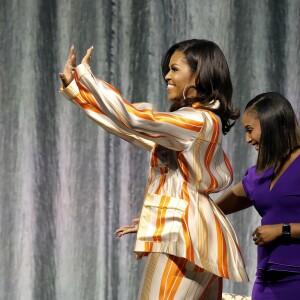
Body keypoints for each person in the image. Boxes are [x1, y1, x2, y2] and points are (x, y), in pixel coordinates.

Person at [59, 39, 248, 299]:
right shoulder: (198, 121)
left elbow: (134, 119)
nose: (167, 76)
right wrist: (77, 91)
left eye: (174, 69)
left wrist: (86, 77)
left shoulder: (195, 121)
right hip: (197, 234)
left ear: (200, 74)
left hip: (185, 237)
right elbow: (130, 129)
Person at [215, 92, 300, 299]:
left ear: (271, 124)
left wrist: (283, 230)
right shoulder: (258, 175)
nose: (247, 139)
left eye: (250, 130)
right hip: (265, 283)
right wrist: (159, 222)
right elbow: (211, 210)